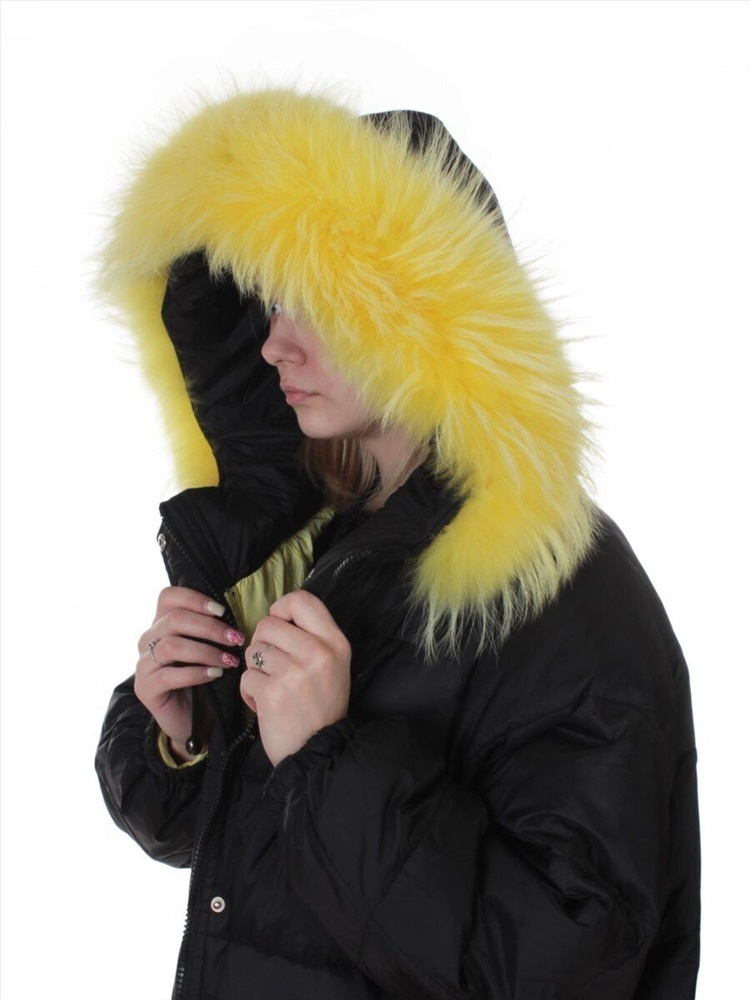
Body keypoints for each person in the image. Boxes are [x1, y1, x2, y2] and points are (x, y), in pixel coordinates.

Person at [95, 89, 700, 1000]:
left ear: (424, 315)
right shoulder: (319, 546)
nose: (274, 345)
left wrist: (326, 759)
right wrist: (184, 733)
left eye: (318, 303)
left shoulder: (562, 590)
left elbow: (566, 965)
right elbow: (242, 856)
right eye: (271, 300)